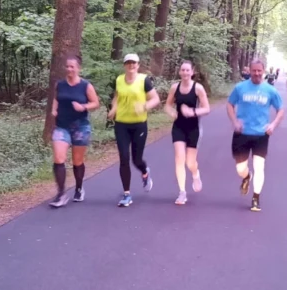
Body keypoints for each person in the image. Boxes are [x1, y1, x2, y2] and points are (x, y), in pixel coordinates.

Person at [227, 60, 284, 212]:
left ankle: (256, 198)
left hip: (261, 134)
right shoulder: (240, 88)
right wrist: (234, 121)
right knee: (240, 168)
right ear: (249, 71)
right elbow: (229, 104)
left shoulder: (270, 90)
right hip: (242, 134)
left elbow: (281, 109)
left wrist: (272, 125)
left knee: (259, 166)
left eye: (260, 71)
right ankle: (246, 177)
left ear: (264, 71)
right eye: (254, 71)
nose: (257, 73)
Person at [108, 53, 160, 207]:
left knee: (136, 160)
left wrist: (144, 106)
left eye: (134, 63)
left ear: (138, 65)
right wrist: (113, 109)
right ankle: (127, 194)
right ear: (124, 65)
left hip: (139, 124)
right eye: (128, 63)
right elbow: (117, 97)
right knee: (124, 158)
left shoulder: (144, 80)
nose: (131, 66)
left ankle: (145, 172)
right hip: (121, 124)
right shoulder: (119, 80)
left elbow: (155, 99)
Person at [49, 56, 100, 208]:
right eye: (67, 66)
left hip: (80, 126)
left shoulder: (85, 85)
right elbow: (57, 98)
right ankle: (61, 194)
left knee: (77, 161)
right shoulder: (60, 84)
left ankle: (78, 188)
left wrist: (83, 106)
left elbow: (96, 103)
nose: (69, 69)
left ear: (78, 68)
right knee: (59, 158)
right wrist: (54, 109)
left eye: (72, 67)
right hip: (62, 126)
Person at [164, 61, 211, 205]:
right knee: (179, 158)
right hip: (178, 127)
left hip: (193, 128)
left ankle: (195, 174)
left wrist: (193, 112)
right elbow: (167, 105)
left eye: (187, 70)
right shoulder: (174, 88)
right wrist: (172, 112)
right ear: (179, 72)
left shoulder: (198, 88)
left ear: (192, 72)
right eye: (182, 70)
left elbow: (207, 108)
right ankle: (182, 192)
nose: (185, 73)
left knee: (190, 162)